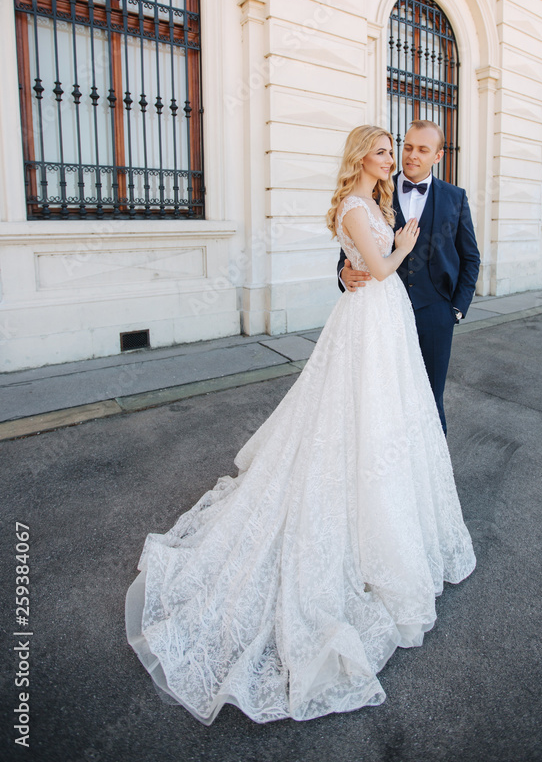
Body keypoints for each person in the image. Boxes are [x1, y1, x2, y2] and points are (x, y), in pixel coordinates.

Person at [125, 125, 476, 725]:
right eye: (389, 149)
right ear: (365, 157)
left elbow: (466, 254)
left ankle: (412, 509)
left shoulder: (432, 199)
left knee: (416, 415)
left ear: (435, 155)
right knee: (363, 416)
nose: (399, 157)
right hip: (376, 316)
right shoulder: (361, 204)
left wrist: (454, 303)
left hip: (421, 318)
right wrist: (379, 256)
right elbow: (365, 261)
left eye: (408, 149)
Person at [338, 119, 480, 435]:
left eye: (422, 150)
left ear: (438, 156)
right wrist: (343, 272)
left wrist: (455, 310)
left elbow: (470, 257)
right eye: (408, 147)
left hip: (435, 315)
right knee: (384, 399)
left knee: (430, 398)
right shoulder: (376, 188)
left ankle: (433, 478)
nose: (411, 156)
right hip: (383, 316)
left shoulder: (454, 197)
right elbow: (351, 248)